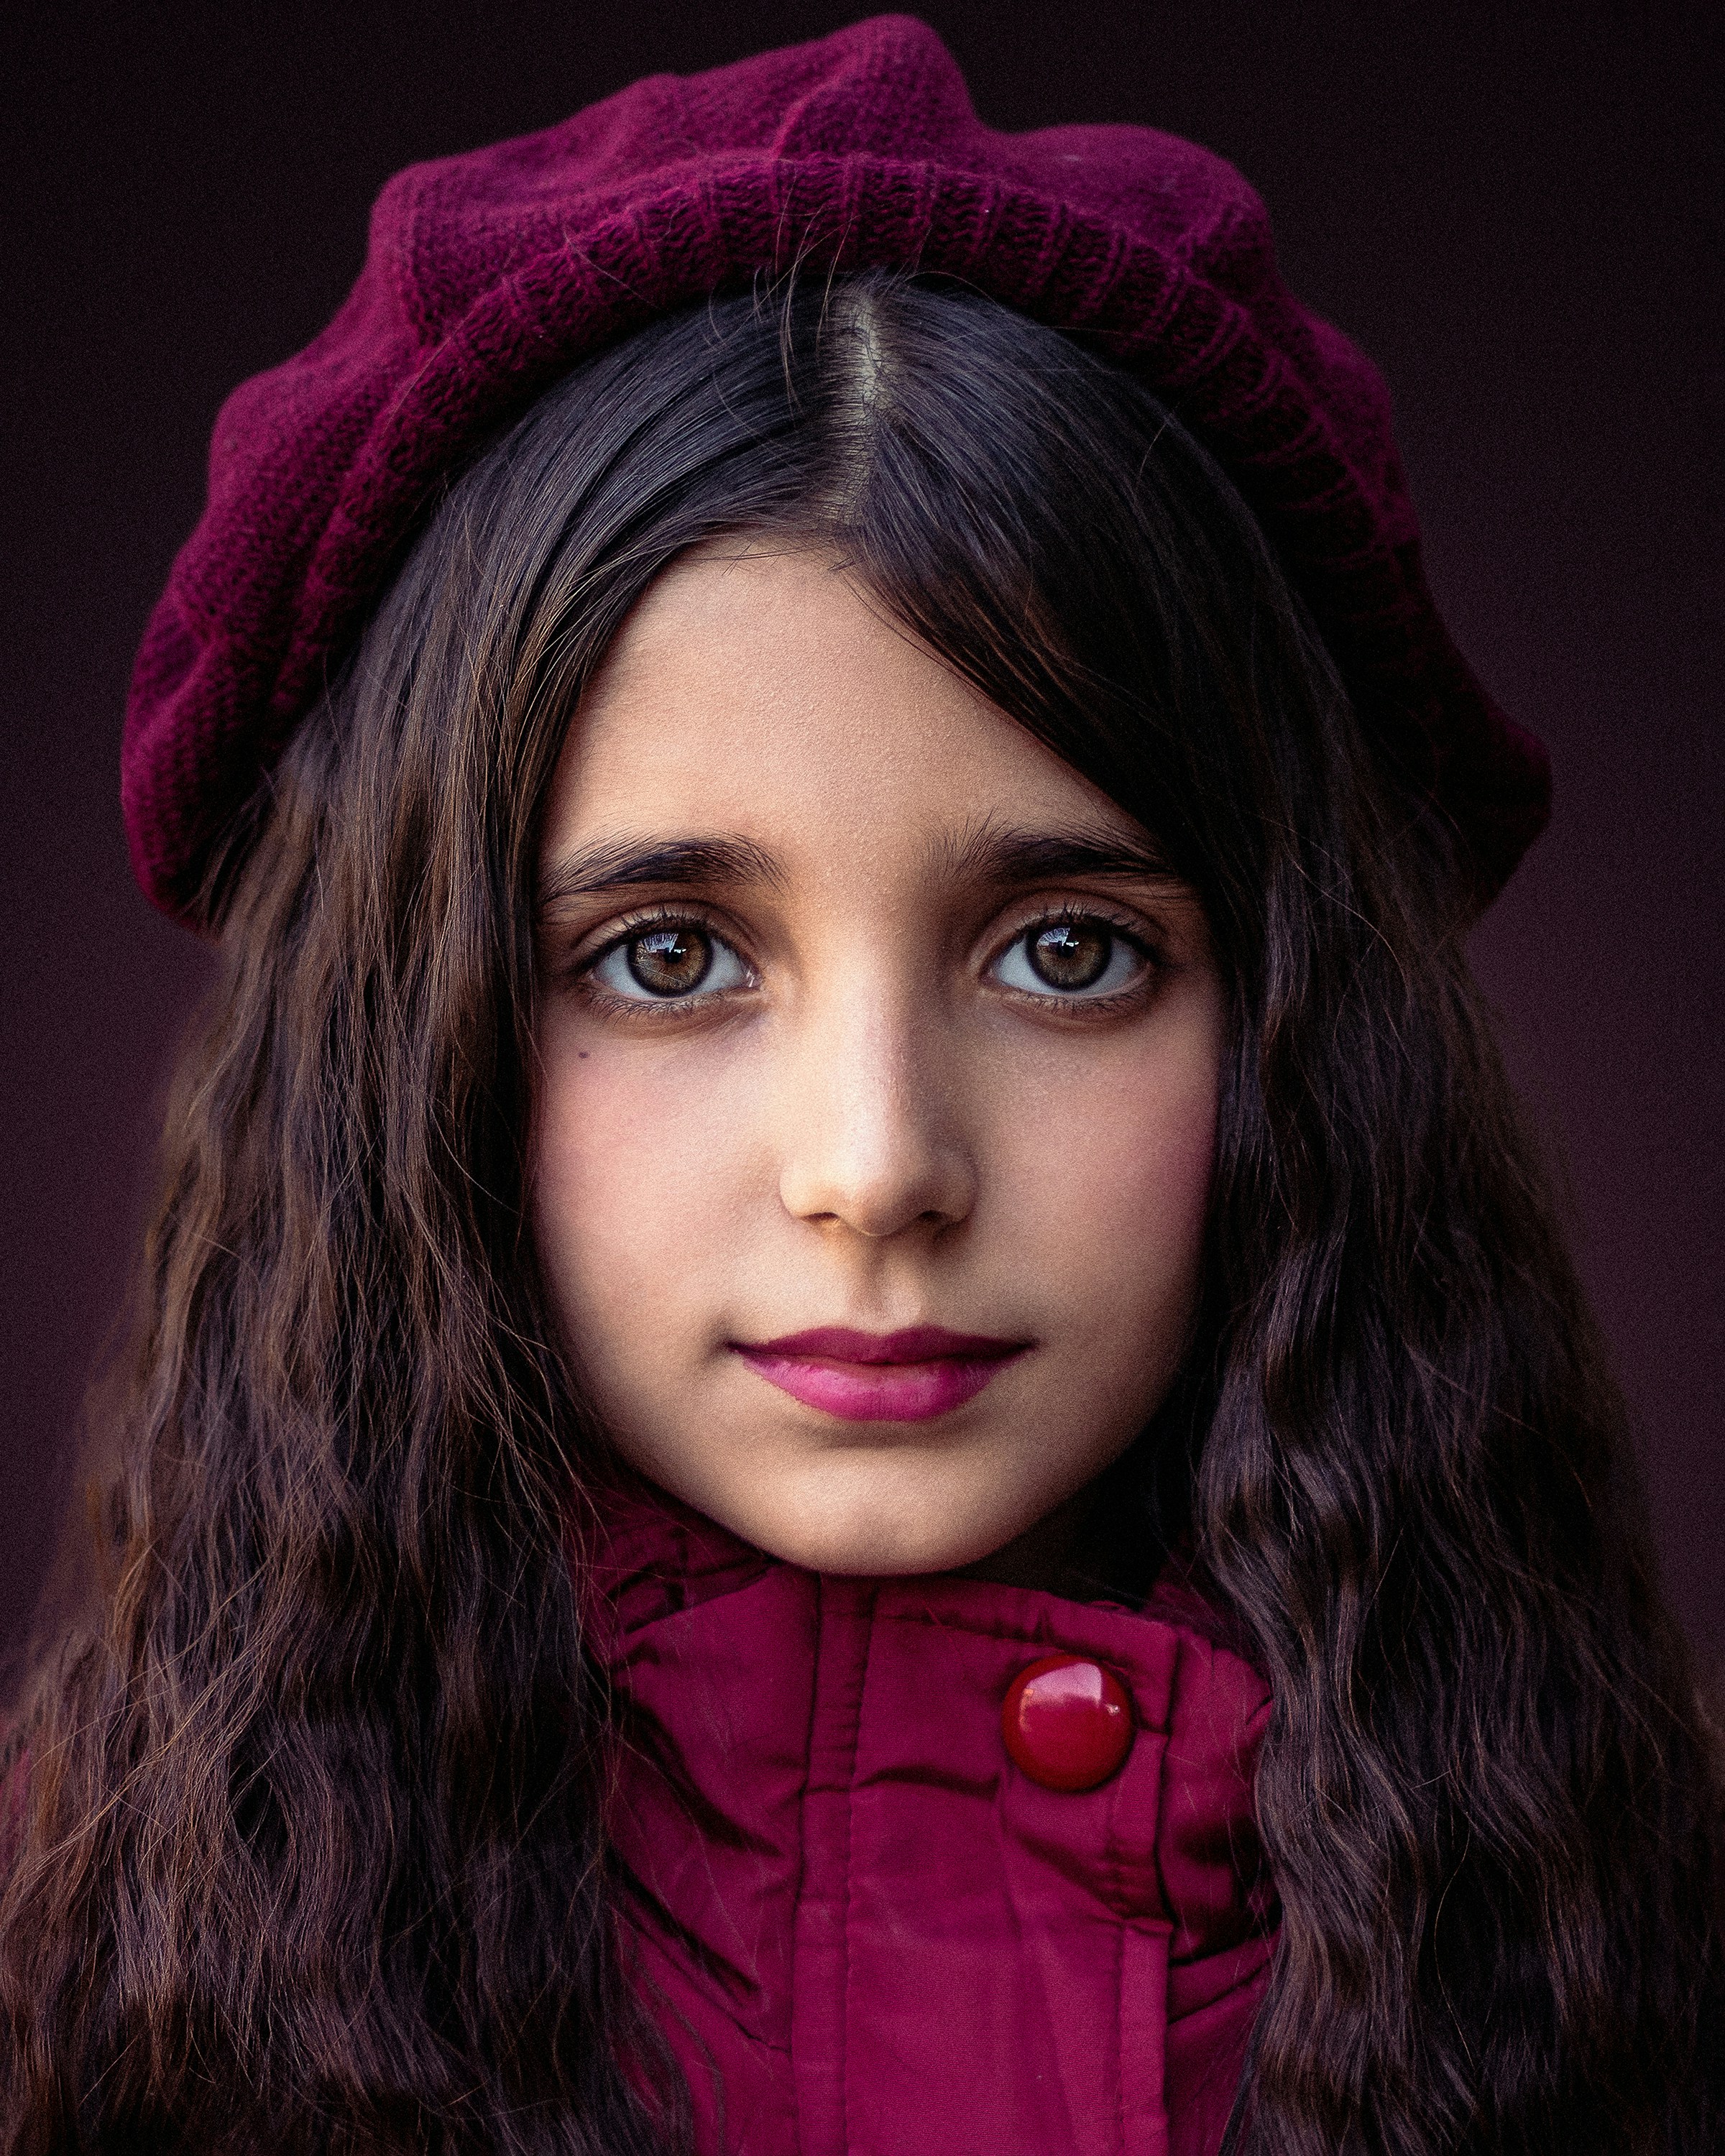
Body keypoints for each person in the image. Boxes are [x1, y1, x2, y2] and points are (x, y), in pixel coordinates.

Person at [1, 19, 1719, 2155]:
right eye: (667, 959)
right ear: (403, 1046)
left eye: (1067, 953)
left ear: (1303, 1022)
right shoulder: (90, 2007)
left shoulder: (1639, 1961)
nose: (878, 1167)